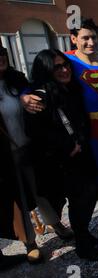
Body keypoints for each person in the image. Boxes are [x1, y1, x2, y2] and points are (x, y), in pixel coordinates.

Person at [24, 49, 98, 261]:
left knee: (88, 195)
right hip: (62, 160)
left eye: (65, 65)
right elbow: (38, 133)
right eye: (57, 67)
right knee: (79, 199)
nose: (64, 70)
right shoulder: (40, 97)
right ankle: (82, 243)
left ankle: (83, 234)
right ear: (46, 71)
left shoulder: (70, 89)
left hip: (80, 152)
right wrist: (67, 147)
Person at [0, 45, 45, 264]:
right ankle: (29, 242)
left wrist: (28, 95)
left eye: (1, 53)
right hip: (6, 156)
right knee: (17, 199)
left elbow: (38, 91)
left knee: (42, 189)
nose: (0, 58)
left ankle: (56, 223)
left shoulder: (17, 79)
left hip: (30, 146)